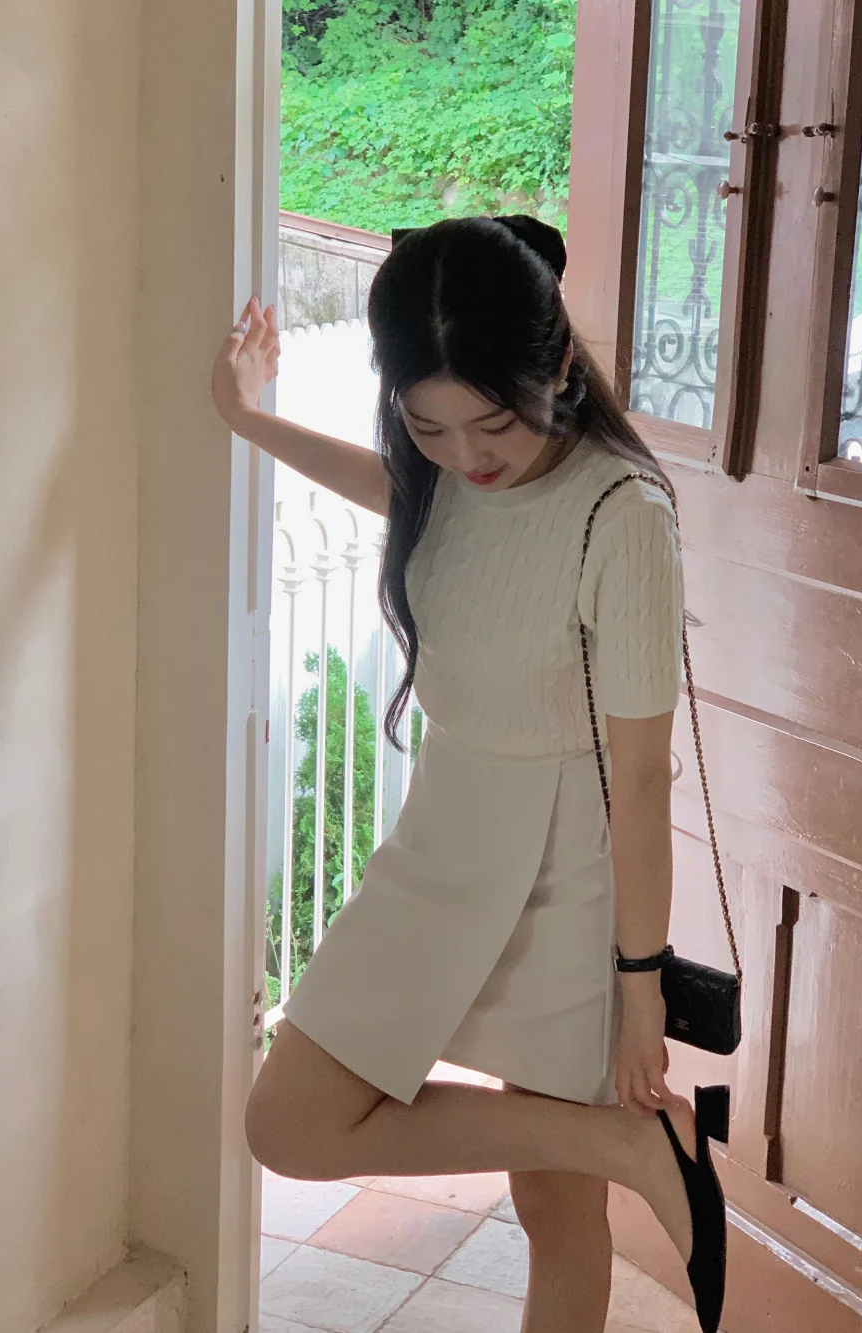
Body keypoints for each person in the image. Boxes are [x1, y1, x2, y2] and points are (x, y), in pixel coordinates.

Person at [211, 215, 729, 1333]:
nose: (467, 456)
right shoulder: (443, 477)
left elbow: (641, 781)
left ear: (557, 364)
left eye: (493, 421)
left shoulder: (621, 515)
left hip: (568, 870)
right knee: (288, 1120)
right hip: (442, 841)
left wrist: (640, 990)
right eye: (426, 424)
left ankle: (611, 1147)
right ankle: (627, 1145)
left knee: (553, 1206)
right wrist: (248, 418)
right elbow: (407, 497)